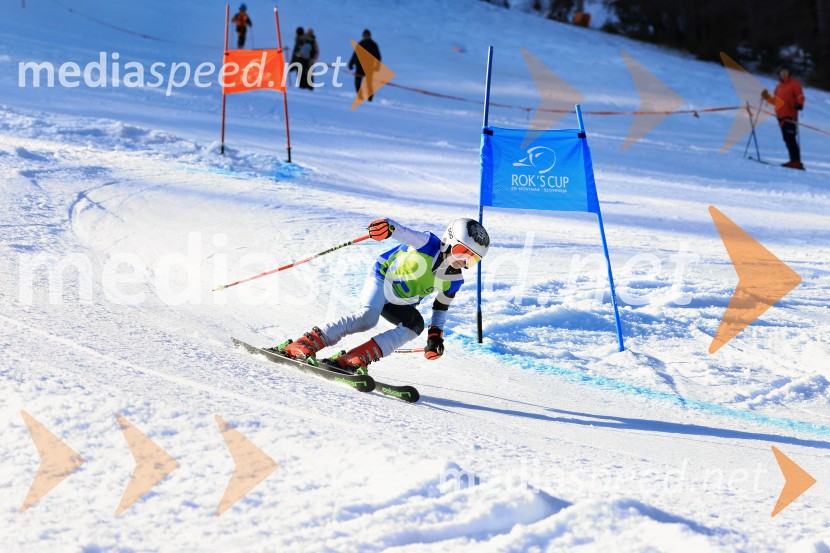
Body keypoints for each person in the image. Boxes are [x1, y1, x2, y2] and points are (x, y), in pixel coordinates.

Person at [275, 218, 491, 374]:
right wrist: (387, 227)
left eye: (472, 259)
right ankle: (304, 343)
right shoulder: (427, 243)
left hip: (402, 301)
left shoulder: (454, 280)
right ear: (448, 241)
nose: (463, 262)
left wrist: (435, 337)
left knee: (415, 325)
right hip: (382, 279)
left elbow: (440, 308)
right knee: (367, 318)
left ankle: (354, 358)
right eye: (462, 252)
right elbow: (402, 232)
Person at [762, 64, 806, 170]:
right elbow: (776, 102)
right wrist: (767, 97)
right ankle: (793, 161)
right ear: (779, 74)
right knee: (787, 138)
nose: (783, 74)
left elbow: (800, 95)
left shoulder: (794, 84)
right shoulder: (779, 87)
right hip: (781, 116)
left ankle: (796, 162)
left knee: (790, 138)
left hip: (790, 115)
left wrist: (800, 104)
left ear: (789, 73)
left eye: (786, 72)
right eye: (782, 72)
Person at [348, 29, 381, 101]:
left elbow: (378, 57)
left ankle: (370, 99)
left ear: (370, 36)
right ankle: (360, 96)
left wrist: (377, 66)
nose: (366, 36)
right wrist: (351, 63)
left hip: (369, 67)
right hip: (359, 66)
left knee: (369, 84)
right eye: (364, 35)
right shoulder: (360, 44)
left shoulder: (373, 45)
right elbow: (355, 55)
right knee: (357, 82)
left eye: (367, 35)